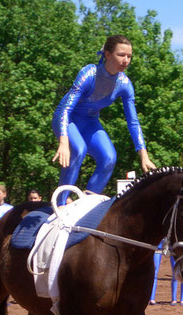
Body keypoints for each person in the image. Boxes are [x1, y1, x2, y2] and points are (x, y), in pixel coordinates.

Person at [52, 34, 156, 206]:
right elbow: (65, 109)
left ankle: (85, 204)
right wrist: (63, 142)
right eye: (121, 55)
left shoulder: (124, 84)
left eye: (129, 56)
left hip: (90, 122)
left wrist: (144, 156)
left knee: (109, 158)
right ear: (107, 54)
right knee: (79, 149)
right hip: (67, 119)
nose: (126, 60)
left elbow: (133, 122)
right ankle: (60, 205)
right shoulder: (89, 74)